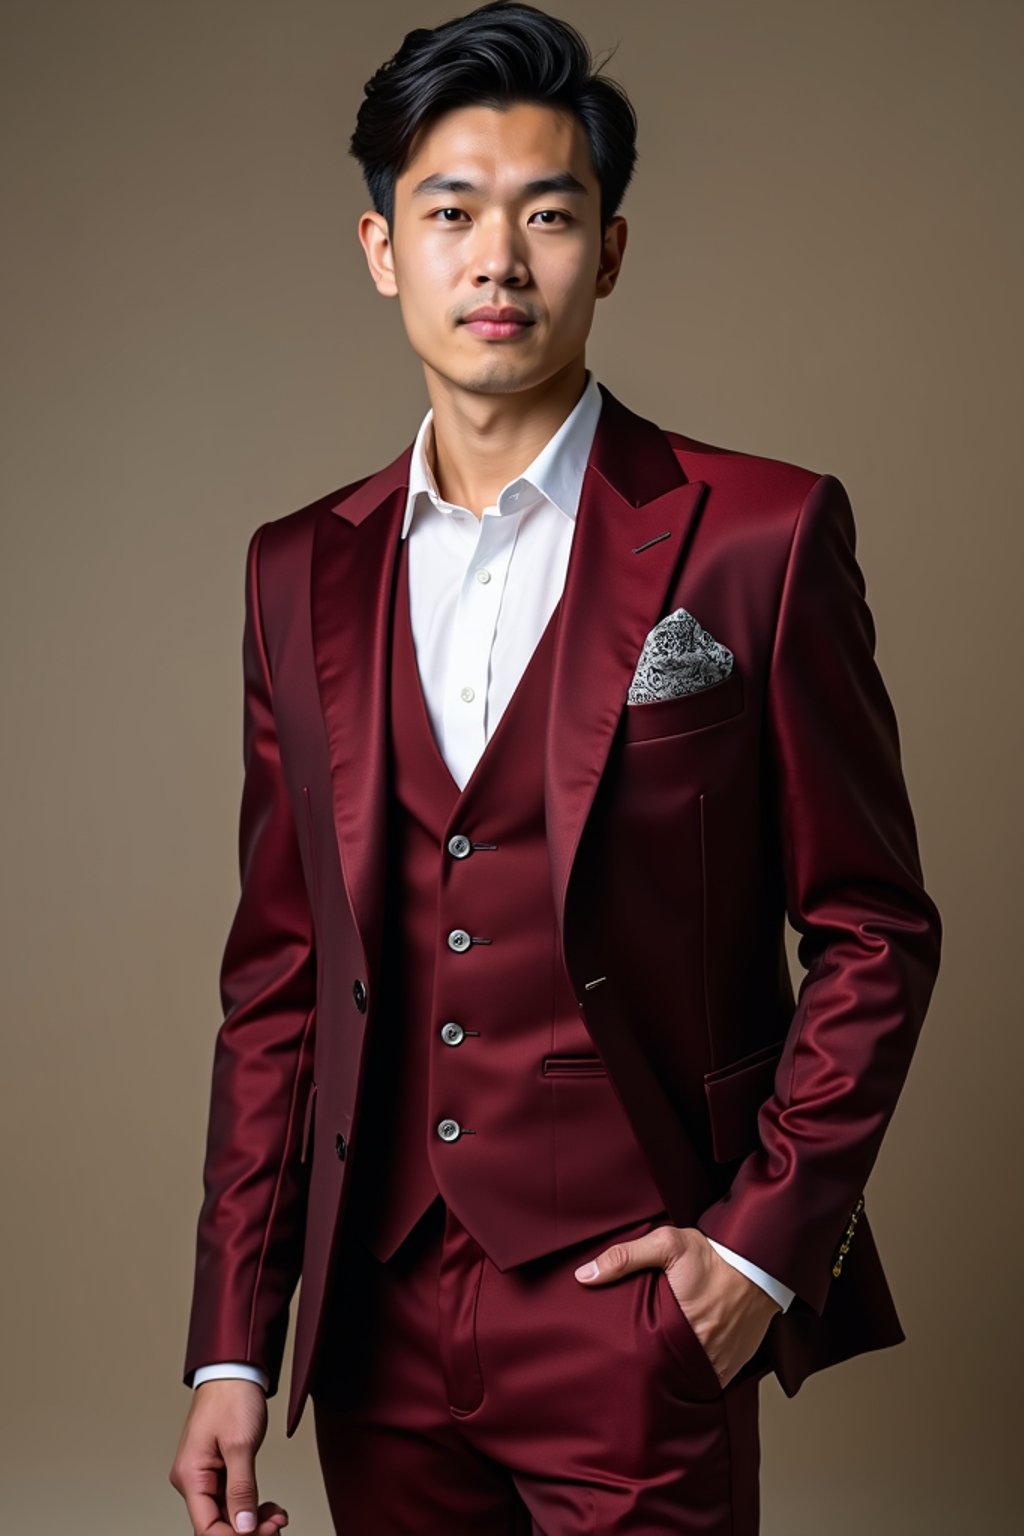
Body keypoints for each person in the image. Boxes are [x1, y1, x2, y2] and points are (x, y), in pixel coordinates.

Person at [168, 4, 942, 1532]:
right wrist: (232, 1348)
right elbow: (280, 978)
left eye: (548, 213)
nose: (498, 260)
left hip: (637, 1297)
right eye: (451, 213)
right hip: (377, 1320)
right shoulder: (293, 572)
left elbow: (875, 929)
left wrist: (758, 1253)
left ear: (613, 245)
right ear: (385, 248)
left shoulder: (759, 536)